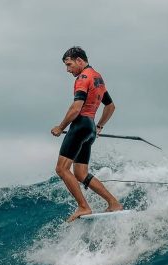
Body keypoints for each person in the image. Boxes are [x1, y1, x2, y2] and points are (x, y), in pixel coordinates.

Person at [51, 46, 123, 222]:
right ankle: (114, 203)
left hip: (80, 126)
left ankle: (83, 207)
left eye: (69, 65)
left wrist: (60, 127)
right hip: (89, 128)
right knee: (81, 174)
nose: (68, 70)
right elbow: (110, 106)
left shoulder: (83, 78)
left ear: (79, 61)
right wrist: (99, 127)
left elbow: (76, 109)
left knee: (61, 169)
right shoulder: (97, 77)